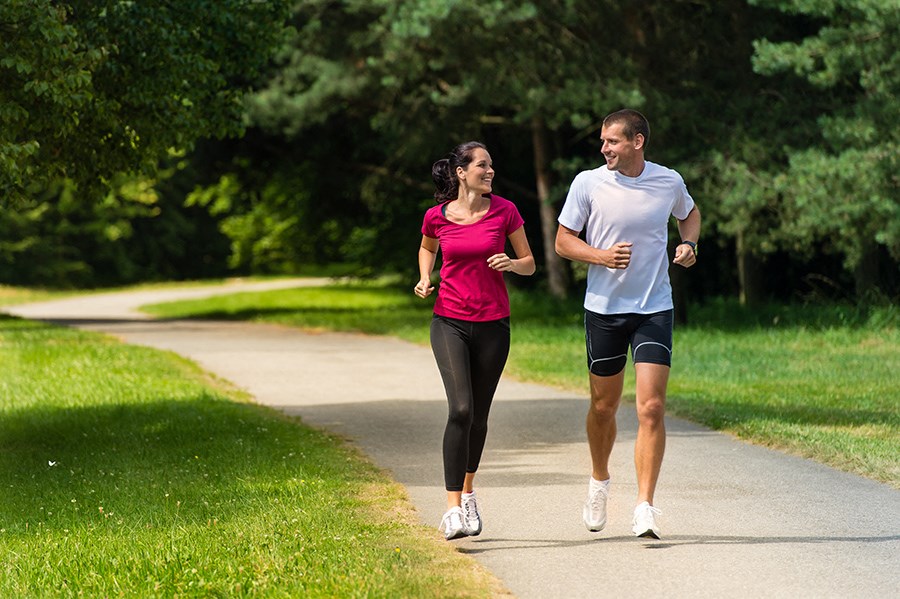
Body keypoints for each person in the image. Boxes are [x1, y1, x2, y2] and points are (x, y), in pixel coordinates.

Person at [555, 109, 701, 539]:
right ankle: (599, 480)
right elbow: (563, 242)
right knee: (604, 406)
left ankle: (644, 506)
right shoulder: (588, 183)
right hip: (604, 309)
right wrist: (601, 256)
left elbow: (690, 213)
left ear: (637, 142)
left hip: (654, 307)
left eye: (612, 141)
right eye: (603, 141)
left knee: (651, 407)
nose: (604, 148)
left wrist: (689, 243)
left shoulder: (668, 181)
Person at [415, 141, 535, 540]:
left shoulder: (505, 211)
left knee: (479, 417)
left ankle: (468, 492)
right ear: (461, 172)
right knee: (461, 410)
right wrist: (425, 277)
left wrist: (511, 263)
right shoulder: (436, 216)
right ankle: (451, 509)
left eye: (491, 164)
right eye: (482, 165)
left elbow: (530, 263)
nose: (490, 171)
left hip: (493, 324)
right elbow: (427, 247)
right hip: (449, 320)